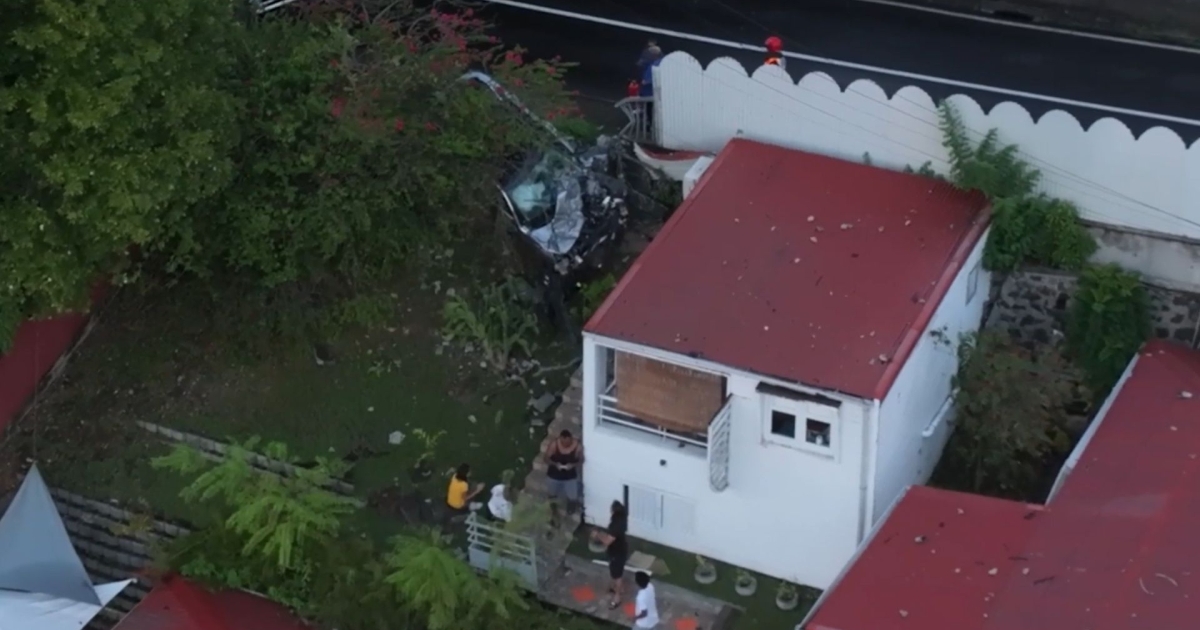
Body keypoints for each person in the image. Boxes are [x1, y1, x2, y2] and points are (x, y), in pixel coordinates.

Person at [590, 500, 628, 609]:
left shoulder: (616, 525)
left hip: (617, 552)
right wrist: (601, 533)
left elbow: (607, 541)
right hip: (618, 550)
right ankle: (618, 588)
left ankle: (617, 597)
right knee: (615, 572)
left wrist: (598, 535)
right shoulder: (621, 519)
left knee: (617, 575)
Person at [543, 429, 583, 527]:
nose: (565, 444)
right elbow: (546, 458)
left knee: (573, 495)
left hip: (570, 475)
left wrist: (573, 465)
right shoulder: (554, 445)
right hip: (554, 474)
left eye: (567, 442)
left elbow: (581, 460)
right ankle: (554, 509)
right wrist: (555, 464)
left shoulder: (577, 446)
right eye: (563, 442)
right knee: (552, 494)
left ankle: (571, 507)